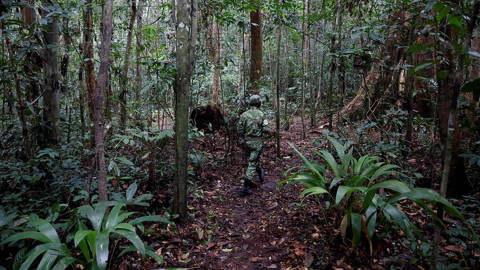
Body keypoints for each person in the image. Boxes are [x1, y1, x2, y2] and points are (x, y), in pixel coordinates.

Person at [237, 95, 269, 196]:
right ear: (259, 103)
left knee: (254, 159)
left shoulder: (244, 115)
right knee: (252, 162)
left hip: (246, 142)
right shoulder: (262, 114)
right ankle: (245, 188)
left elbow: (239, 130)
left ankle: (260, 174)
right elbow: (266, 129)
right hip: (257, 142)